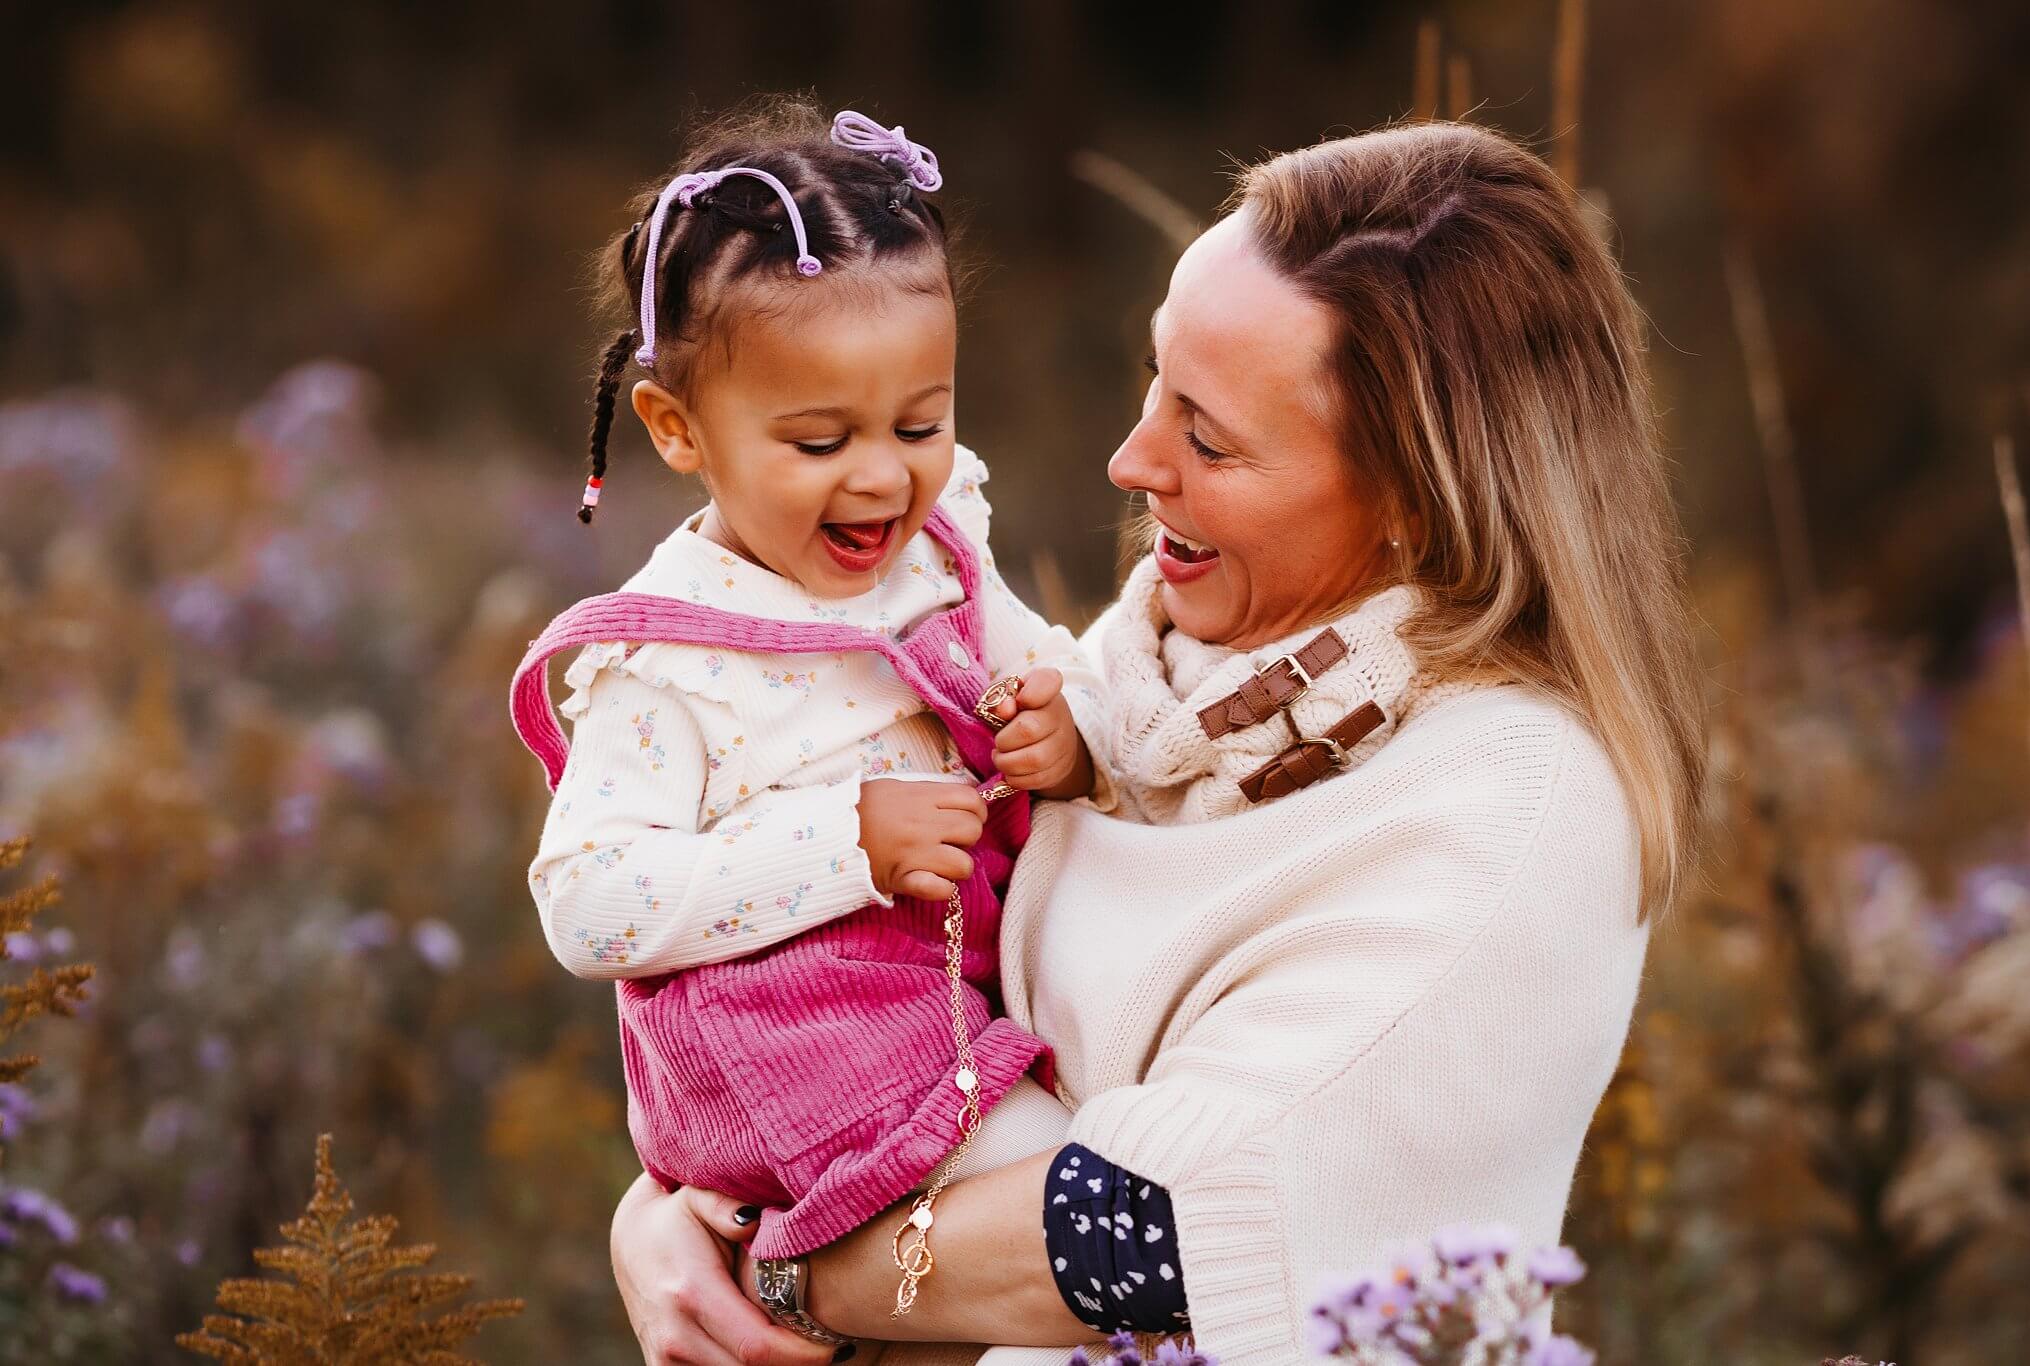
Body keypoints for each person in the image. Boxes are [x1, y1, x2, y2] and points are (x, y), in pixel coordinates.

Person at [607, 119, 1709, 1365]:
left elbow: (1159, 1226)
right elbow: (864, 998)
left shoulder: (1511, 799)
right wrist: (662, 1211)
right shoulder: (1157, 694)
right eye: (1153, 385)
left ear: (1415, 497)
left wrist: (781, 1265)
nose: (1131, 461)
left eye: (1209, 437)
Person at [509, 96, 1116, 1352]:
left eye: (920, 423)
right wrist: (847, 843)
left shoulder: (942, 546)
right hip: (792, 1045)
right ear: (679, 429)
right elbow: (588, 900)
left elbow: (1033, 666)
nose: (883, 476)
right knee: (1075, 1212)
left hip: (937, 1011)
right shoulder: (665, 658)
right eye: (817, 438)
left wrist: (1059, 728)